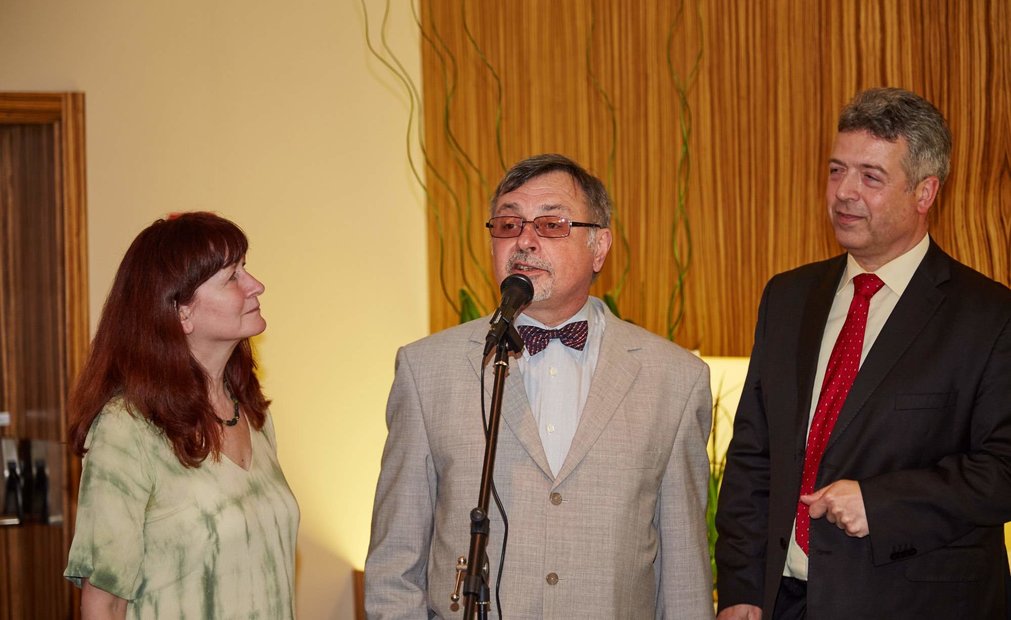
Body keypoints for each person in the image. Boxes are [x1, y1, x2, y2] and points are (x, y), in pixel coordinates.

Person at [365, 153, 715, 618]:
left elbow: (685, 575)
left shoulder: (674, 379)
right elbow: (395, 565)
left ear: (599, 246)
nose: (525, 241)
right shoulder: (426, 369)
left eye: (551, 225)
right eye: (508, 225)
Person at [715, 87, 1011, 619]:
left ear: (925, 192)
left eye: (871, 177)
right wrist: (740, 589)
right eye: (836, 170)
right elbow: (753, 456)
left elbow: (1004, 469)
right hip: (781, 601)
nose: (843, 192)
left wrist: (881, 503)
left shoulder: (989, 316)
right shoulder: (787, 297)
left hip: (916, 604)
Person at [64, 212, 299, 619]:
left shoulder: (252, 414)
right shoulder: (126, 429)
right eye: (232, 277)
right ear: (181, 312)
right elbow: (105, 602)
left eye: (246, 269)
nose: (255, 285)